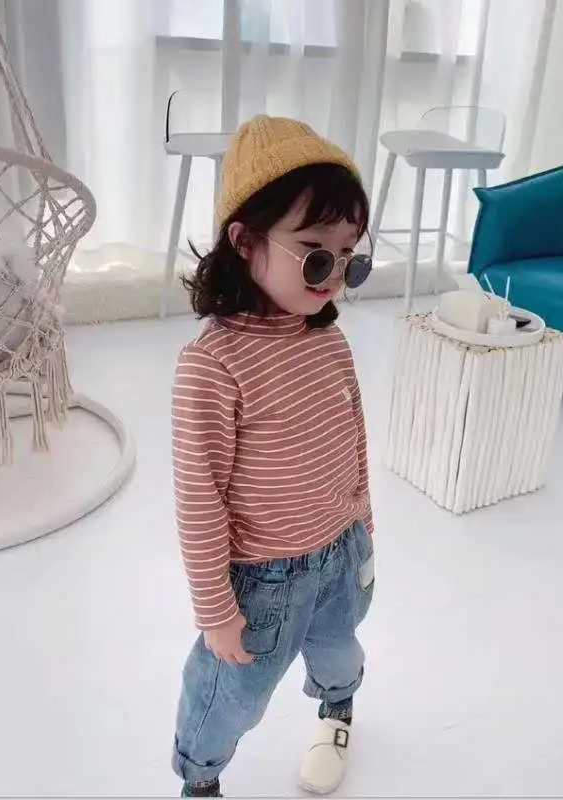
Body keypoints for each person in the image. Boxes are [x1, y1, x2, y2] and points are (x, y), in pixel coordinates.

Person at [171, 115, 375, 798]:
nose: (334, 275)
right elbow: (200, 496)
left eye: (349, 258)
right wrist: (215, 608)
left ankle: (338, 711)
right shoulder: (213, 364)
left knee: (341, 653)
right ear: (245, 241)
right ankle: (201, 779)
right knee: (230, 695)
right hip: (263, 581)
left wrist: (364, 530)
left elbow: (352, 441)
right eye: (315, 255)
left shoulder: (328, 342)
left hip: (341, 554)